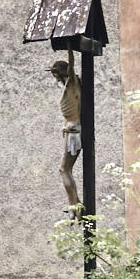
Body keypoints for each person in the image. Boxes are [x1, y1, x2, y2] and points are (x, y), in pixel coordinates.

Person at [50, 55, 82, 213]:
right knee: (65, 169)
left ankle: (74, 205)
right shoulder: (70, 86)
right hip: (70, 131)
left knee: (64, 169)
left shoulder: (72, 84)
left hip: (74, 133)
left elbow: (72, 62)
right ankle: (74, 203)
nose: (56, 80)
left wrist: (69, 44)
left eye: (56, 76)